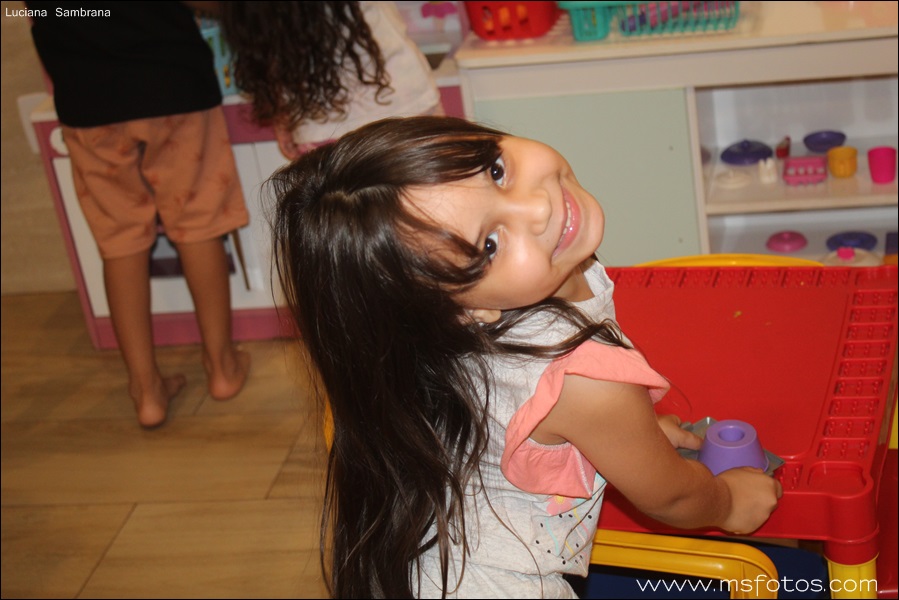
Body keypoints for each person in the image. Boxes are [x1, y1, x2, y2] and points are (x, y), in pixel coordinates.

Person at [267, 115, 783, 598]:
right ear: (463, 314)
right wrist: (729, 502)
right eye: (489, 245)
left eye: (495, 171)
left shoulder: (445, 326)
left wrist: (627, 438)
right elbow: (671, 497)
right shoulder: (587, 381)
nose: (537, 208)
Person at [26, 1, 251, 428]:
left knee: (120, 241)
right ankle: (222, 368)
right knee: (198, 223)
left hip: (86, 97)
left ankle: (146, 392)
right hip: (172, 83)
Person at [215, 1, 443, 160]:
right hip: (404, 105)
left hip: (320, 126)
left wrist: (283, 119)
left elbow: (267, 50)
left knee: (354, 216)